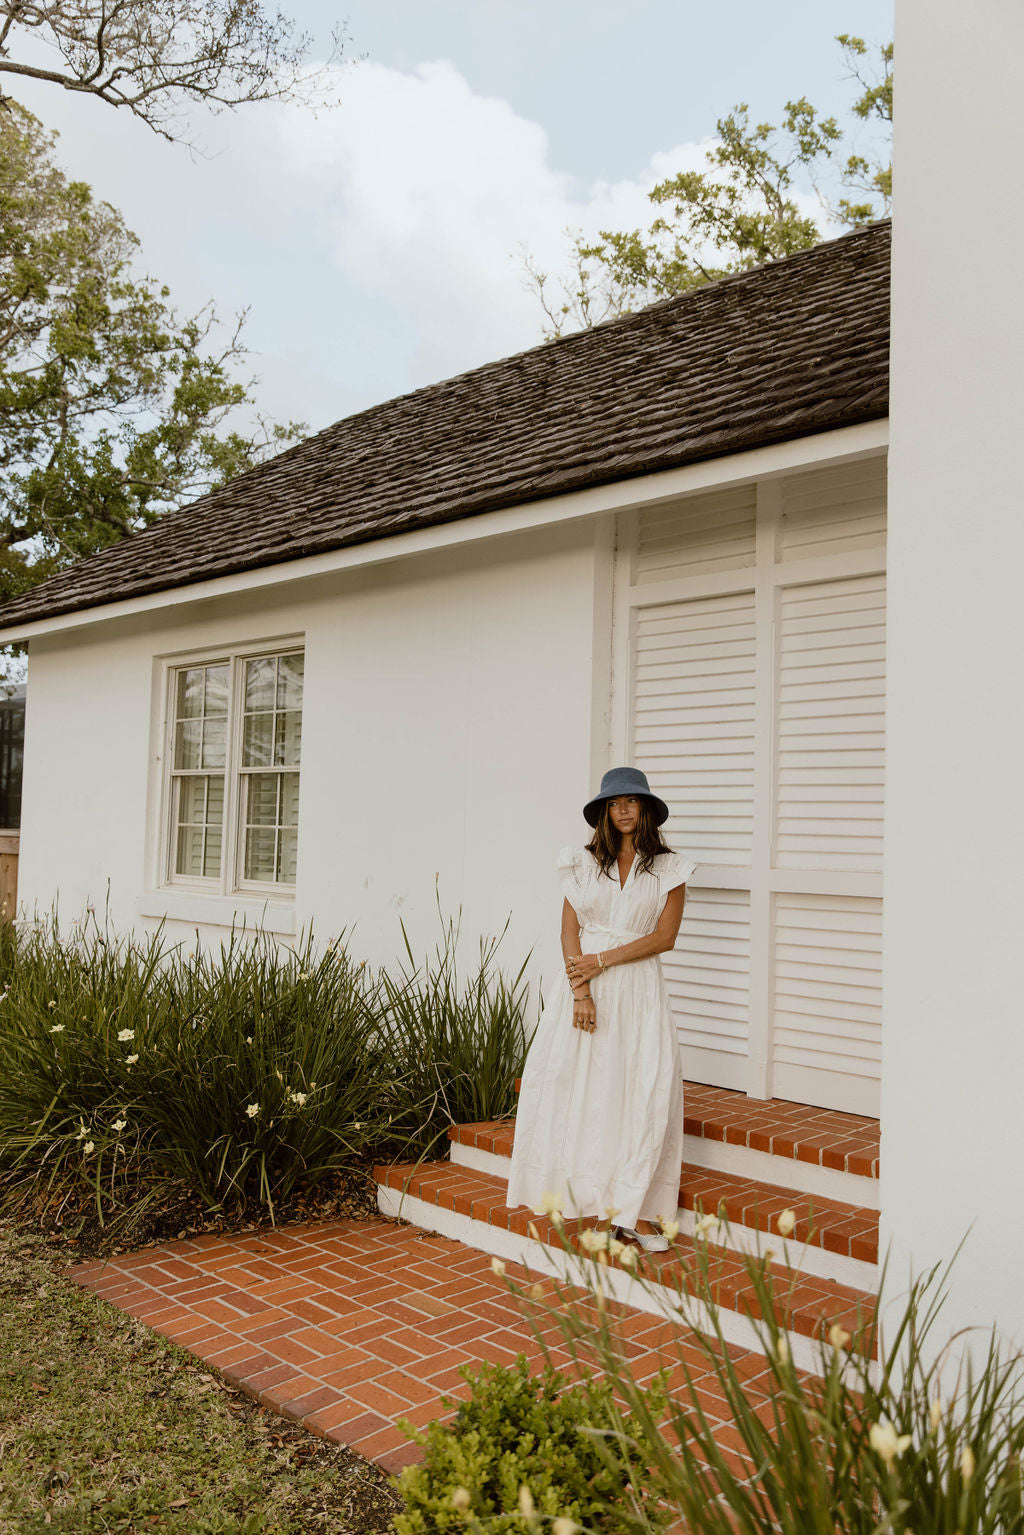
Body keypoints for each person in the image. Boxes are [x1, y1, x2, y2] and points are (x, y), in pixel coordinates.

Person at [506, 766, 697, 1253]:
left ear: (645, 808)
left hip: (639, 992)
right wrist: (581, 992)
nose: (623, 810)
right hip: (585, 990)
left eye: (631, 801)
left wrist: (603, 960)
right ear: (603, 813)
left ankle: (636, 1212)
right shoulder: (582, 864)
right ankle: (599, 1204)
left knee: (641, 1095)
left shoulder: (670, 869)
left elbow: (665, 937)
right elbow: (568, 931)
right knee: (590, 1095)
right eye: (614, 804)